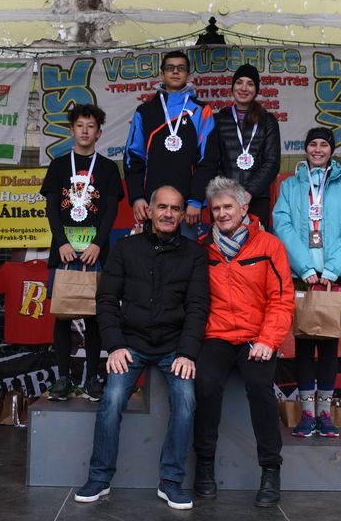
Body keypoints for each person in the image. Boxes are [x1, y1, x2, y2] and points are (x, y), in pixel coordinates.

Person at [74, 186, 209, 510]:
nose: (168, 214)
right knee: (112, 399)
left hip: (174, 346)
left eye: (175, 209)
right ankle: (99, 478)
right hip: (130, 343)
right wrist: (115, 345)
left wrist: (187, 352)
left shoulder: (194, 254)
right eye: (162, 207)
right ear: (149, 210)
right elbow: (106, 300)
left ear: (182, 214)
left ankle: (171, 481)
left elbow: (198, 306)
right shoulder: (125, 248)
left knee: (186, 401)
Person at [193, 177, 294, 507]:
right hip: (217, 335)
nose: (222, 214)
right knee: (205, 384)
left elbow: (281, 299)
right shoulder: (203, 248)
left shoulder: (269, 246)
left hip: (256, 336)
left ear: (244, 208)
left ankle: (271, 471)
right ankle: (204, 467)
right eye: (216, 209)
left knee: (259, 387)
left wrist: (268, 340)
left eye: (228, 207)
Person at [272, 127, 341, 438]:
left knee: (328, 344)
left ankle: (325, 414)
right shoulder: (290, 184)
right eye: (312, 143)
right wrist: (305, 266)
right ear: (305, 148)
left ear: (331, 150)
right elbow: (282, 224)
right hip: (301, 274)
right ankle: (307, 415)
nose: (317, 149)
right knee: (303, 342)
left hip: (336, 275)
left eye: (324, 144)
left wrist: (331, 270)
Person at [41, 103, 123, 402]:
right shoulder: (59, 166)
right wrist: (62, 242)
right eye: (80, 126)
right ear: (72, 130)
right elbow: (52, 209)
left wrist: (98, 244)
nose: (85, 131)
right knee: (62, 314)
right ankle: (63, 378)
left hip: (95, 252)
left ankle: (92, 379)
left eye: (91, 126)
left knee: (94, 316)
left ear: (99, 133)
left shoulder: (108, 168)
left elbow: (111, 211)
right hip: (64, 251)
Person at [124, 50, 218, 238]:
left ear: (188, 74)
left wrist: (196, 200)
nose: (175, 71)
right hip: (152, 205)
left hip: (187, 207)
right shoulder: (145, 111)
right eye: (170, 68)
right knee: (151, 254)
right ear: (162, 74)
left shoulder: (202, 111)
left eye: (181, 68)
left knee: (185, 255)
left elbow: (208, 160)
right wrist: (137, 197)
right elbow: (133, 157)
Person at [213, 64, 281, 228]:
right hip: (225, 199)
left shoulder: (267, 120)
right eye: (239, 83)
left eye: (250, 84)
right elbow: (213, 160)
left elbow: (272, 162)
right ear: (232, 87)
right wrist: (228, 193)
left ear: (256, 90)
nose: (244, 88)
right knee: (225, 242)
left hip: (257, 198)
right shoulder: (219, 120)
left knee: (256, 242)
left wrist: (249, 192)